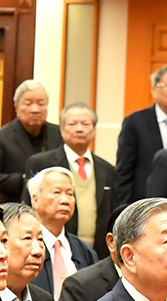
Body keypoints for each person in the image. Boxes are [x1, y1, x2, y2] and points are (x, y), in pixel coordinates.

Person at [24, 102, 116, 250]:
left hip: (97, 252)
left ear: (93, 130)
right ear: (61, 130)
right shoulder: (41, 163)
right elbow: (27, 208)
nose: (79, 129)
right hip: (50, 248)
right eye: (73, 124)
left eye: (85, 124)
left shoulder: (107, 169)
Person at [114, 65, 167, 207]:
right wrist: (125, 208)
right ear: (154, 90)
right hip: (145, 202)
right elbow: (124, 171)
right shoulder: (135, 122)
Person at [0, 79, 60, 199]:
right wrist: (23, 180)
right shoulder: (0, 138)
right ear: (16, 107)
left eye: (40, 103)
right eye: (28, 103)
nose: (35, 109)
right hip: (16, 209)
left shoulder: (59, 134)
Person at [29, 166, 96, 297]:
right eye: (56, 192)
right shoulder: (24, 247)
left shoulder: (85, 251)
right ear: (35, 200)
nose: (65, 200)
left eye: (70, 194)